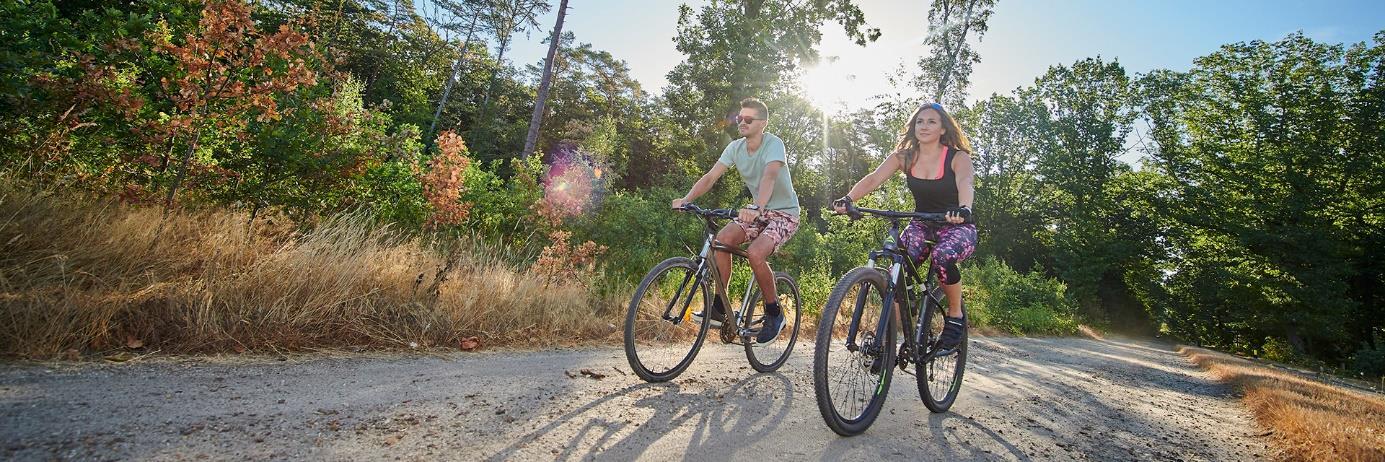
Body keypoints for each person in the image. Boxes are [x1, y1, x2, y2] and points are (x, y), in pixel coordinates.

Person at [832, 102, 977, 350]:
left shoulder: (957, 157)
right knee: (896, 270)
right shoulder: (904, 157)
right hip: (921, 223)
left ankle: (955, 315)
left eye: (931, 122)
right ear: (913, 127)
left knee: (942, 257)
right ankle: (883, 343)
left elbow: (966, 182)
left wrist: (964, 209)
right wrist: (849, 199)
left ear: (943, 129)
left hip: (956, 224)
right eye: (920, 121)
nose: (924, 126)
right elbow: (873, 179)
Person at [671, 97, 801, 343]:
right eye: (739, 118)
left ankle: (774, 312)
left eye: (748, 119)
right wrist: (686, 199)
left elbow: (770, 176)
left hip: (784, 213)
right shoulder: (735, 148)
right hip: (757, 210)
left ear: (762, 123)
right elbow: (711, 177)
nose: (742, 122)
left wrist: (757, 206)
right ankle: (720, 306)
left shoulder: (774, 144)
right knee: (721, 240)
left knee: (755, 253)